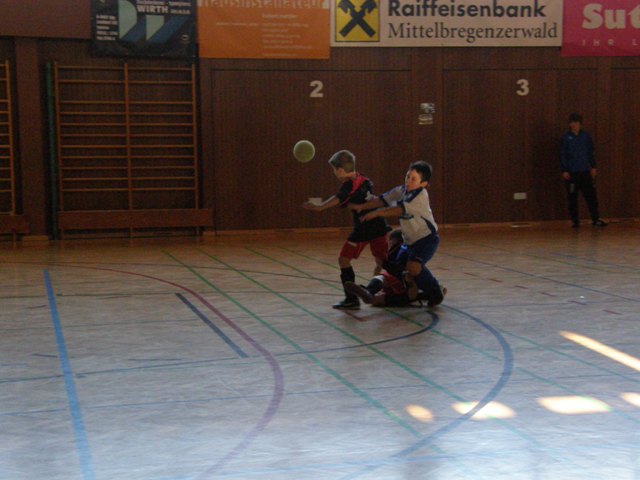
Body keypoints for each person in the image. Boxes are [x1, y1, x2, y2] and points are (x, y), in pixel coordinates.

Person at [302, 149, 390, 310]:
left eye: (334, 170)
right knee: (381, 262)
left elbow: (338, 198)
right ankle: (378, 291)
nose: (334, 173)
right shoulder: (364, 179)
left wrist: (320, 207)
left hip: (364, 229)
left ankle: (351, 299)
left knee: (344, 260)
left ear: (341, 170)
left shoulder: (349, 185)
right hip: (380, 225)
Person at [350, 161, 446, 306]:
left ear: (424, 184)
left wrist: (376, 214)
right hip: (409, 242)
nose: (408, 181)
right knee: (396, 266)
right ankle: (409, 287)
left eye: (413, 179)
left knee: (414, 267)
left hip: (426, 239)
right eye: (407, 176)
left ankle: (435, 291)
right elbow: (382, 200)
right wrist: (362, 206)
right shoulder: (401, 191)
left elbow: (399, 209)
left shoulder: (420, 196)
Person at [344, 229, 439, 307]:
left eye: (390, 241)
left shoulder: (401, 252)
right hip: (405, 289)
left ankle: (369, 291)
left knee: (382, 279)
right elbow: (379, 267)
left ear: (396, 241)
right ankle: (369, 293)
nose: (389, 244)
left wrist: (375, 284)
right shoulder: (404, 253)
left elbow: (382, 269)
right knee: (375, 299)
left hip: (406, 284)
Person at [560, 113, 607, 228]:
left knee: (591, 196)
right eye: (571, 122)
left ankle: (595, 219)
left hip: (585, 171)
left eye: (575, 122)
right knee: (572, 198)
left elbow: (590, 152)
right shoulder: (565, 137)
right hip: (572, 173)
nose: (573, 124)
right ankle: (575, 221)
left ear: (580, 123)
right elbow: (562, 154)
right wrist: (564, 170)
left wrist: (593, 166)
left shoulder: (586, 136)